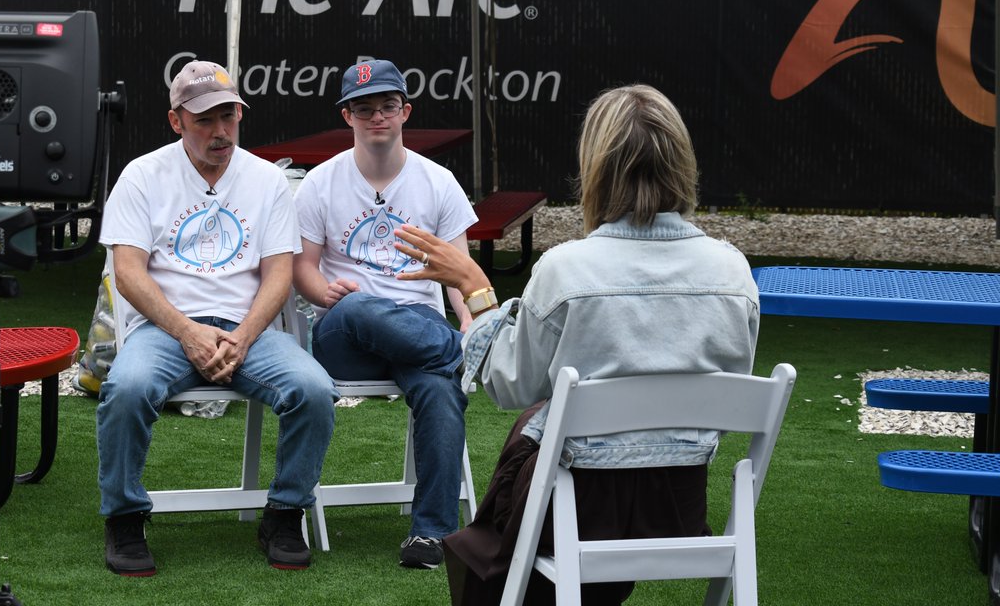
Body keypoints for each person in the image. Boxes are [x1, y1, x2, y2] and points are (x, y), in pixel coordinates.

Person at [394, 84, 760, 605]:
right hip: (677, 506)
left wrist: (476, 293)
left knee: (513, 489)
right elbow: (727, 392)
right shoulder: (733, 272)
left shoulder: (568, 270)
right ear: (681, 162)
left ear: (597, 168)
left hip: (576, 509)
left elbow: (509, 385)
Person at [96, 60, 339, 576]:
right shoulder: (142, 175)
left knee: (314, 389)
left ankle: (284, 512)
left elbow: (279, 274)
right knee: (127, 388)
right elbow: (128, 273)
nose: (221, 131)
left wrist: (244, 337)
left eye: (229, 115)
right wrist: (187, 332)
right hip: (165, 327)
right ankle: (124, 516)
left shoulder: (266, 180)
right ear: (175, 120)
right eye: (205, 119)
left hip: (245, 326)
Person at [292, 59, 478, 569]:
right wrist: (328, 293)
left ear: (405, 112)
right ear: (347, 116)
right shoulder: (319, 183)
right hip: (345, 335)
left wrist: (468, 317)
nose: (378, 117)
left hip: (414, 332)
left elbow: (459, 272)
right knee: (361, 306)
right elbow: (301, 269)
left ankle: (432, 536)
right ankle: (454, 354)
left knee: (441, 392)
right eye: (365, 108)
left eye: (388, 106)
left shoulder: (438, 182)